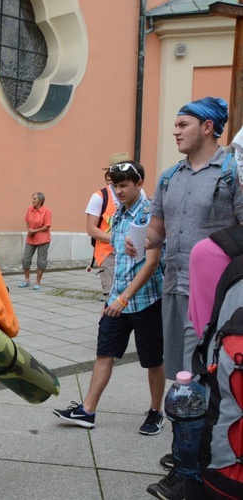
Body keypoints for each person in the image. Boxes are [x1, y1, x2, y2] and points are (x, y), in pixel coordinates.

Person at [128, 97, 243, 499]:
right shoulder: (168, 176)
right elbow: (158, 231)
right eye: (175, 125)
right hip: (174, 288)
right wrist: (139, 239)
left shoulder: (232, 173)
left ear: (209, 127)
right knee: (182, 376)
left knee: (200, 382)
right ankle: (190, 453)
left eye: (183, 124)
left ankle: (190, 474)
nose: (175, 131)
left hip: (216, 298)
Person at [53, 160, 166, 435]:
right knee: (104, 353)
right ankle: (87, 411)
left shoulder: (150, 214)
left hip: (146, 301)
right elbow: (119, 261)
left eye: (124, 184)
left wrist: (124, 298)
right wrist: (111, 300)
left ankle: (156, 411)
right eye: (115, 185)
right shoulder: (118, 214)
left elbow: (151, 264)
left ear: (139, 183)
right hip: (118, 299)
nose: (119, 190)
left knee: (152, 359)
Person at [86, 153, 126, 296]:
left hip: (130, 253)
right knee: (112, 298)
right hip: (108, 253)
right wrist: (117, 239)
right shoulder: (99, 197)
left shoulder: (139, 193)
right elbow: (91, 230)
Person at [18, 192, 51, 290]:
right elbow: (27, 222)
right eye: (33, 198)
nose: (32, 200)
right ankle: (27, 280)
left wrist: (35, 230)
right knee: (26, 259)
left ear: (40, 201)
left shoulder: (47, 211)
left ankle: (37, 282)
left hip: (43, 239)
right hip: (31, 238)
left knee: (41, 261)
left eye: (34, 199)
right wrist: (29, 230)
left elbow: (47, 226)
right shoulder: (29, 210)